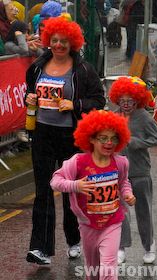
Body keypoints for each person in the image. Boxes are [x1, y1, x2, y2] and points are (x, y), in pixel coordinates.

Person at [25, 17, 106, 265]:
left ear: (73, 43)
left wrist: (76, 104)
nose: (59, 45)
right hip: (43, 134)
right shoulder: (37, 67)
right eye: (55, 40)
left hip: (72, 136)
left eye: (64, 41)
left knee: (72, 191)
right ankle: (41, 249)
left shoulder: (83, 70)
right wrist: (29, 100)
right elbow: (30, 94)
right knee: (44, 191)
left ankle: (74, 240)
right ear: (49, 41)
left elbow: (99, 101)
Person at [50, 110, 136, 280]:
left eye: (113, 138)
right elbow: (55, 181)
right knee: (93, 271)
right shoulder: (78, 162)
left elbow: (124, 182)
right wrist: (76, 185)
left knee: (108, 269)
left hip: (112, 222)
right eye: (103, 138)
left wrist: (127, 194)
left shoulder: (120, 162)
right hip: (88, 224)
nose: (109, 143)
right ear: (91, 138)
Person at [109, 76, 157, 264]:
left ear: (137, 100)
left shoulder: (144, 118)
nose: (125, 104)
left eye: (130, 101)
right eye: (122, 101)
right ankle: (121, 248)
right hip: (118, 173)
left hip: (140, 173)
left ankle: (149, 246)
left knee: (143, 211)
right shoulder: (113, 116)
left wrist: (136, 142)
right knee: (120, 212)